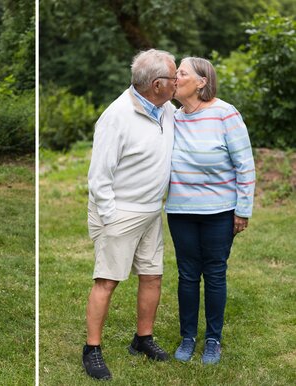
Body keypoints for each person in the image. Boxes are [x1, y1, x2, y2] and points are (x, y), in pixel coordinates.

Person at [82, 49, 177, 381]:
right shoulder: (117, 115)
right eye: (174, 77)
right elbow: (99, 176)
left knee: (152, 275)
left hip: (152, 211)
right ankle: (92, 349)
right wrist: (109, 218)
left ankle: (143, 339)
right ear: (156, 84)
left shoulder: (166, 110)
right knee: (107, 280)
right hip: (120, 212)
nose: (178, 81)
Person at [166, 57, 255, 365]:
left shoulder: (224, 114)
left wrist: (242, 209)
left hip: (219, 211)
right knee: (187, 274)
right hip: (180, 211)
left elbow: (245, 164)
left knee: (214, 273)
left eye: (181, 73)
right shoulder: (172, 117)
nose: (174, 77)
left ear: (201, 82)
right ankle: (188, 337)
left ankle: (213, 340)